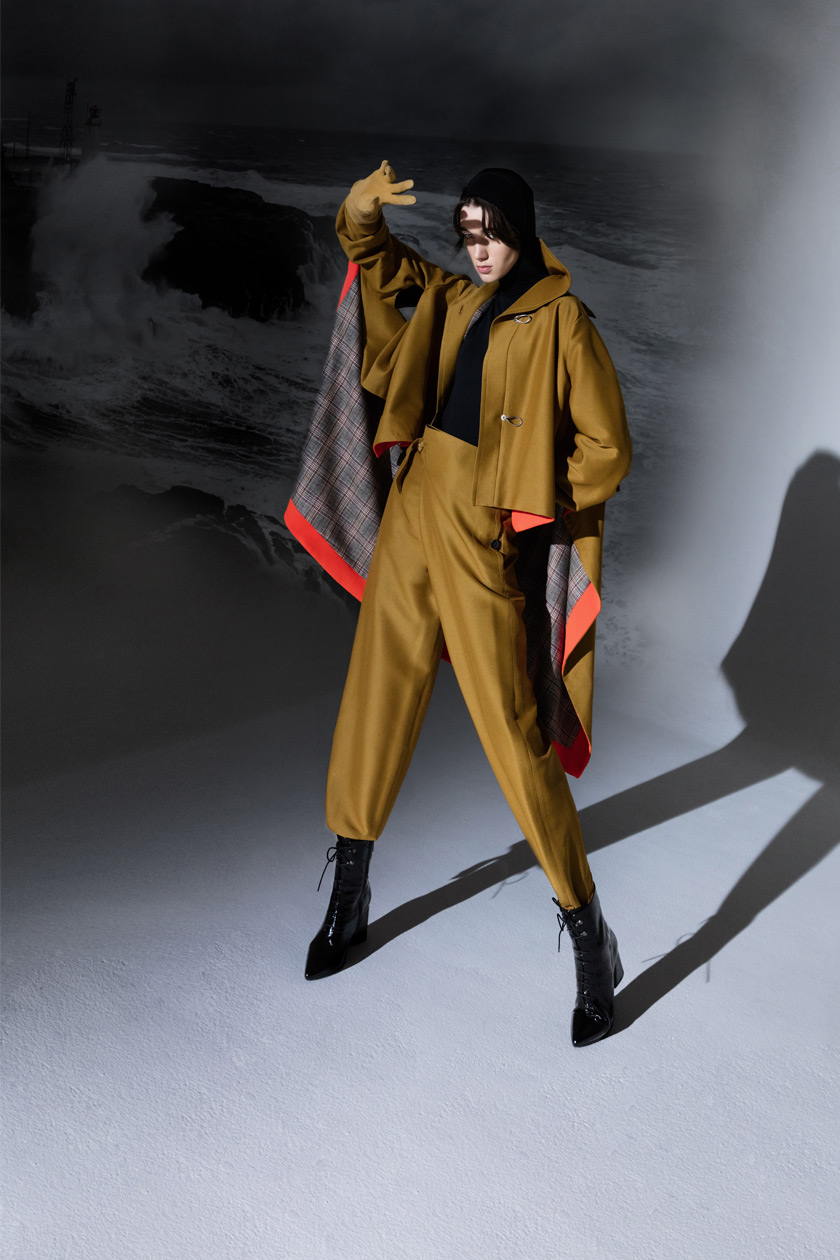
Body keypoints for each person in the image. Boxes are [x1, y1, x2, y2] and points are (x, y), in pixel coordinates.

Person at [288, 161, 632, 1045]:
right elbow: (377, 260)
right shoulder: (457, 297)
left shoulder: (565, 321)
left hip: (483, 533)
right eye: (468, 235)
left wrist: (526, 499)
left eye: (493, 233)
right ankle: (350, 894)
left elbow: (609, 449)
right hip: (413, 510)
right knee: (376, 696)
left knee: (514, 733)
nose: (479, 251)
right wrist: (358, 211)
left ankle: (589, 934)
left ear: (522, 229)